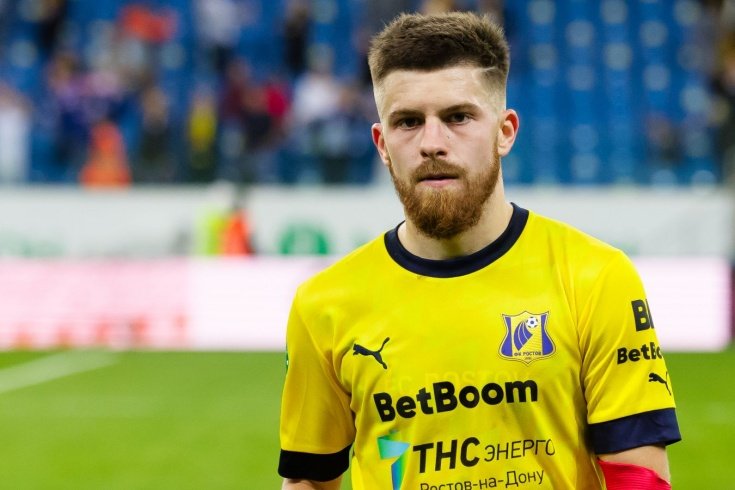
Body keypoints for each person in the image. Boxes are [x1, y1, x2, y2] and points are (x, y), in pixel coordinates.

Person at [278, 12, 680, 490]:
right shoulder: (324, 304)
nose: (432, 143)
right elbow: (308, 479)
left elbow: (638, 475)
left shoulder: (595, 277)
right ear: (382, 145)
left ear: (505, 131)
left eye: (458, 117)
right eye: (408, 122)